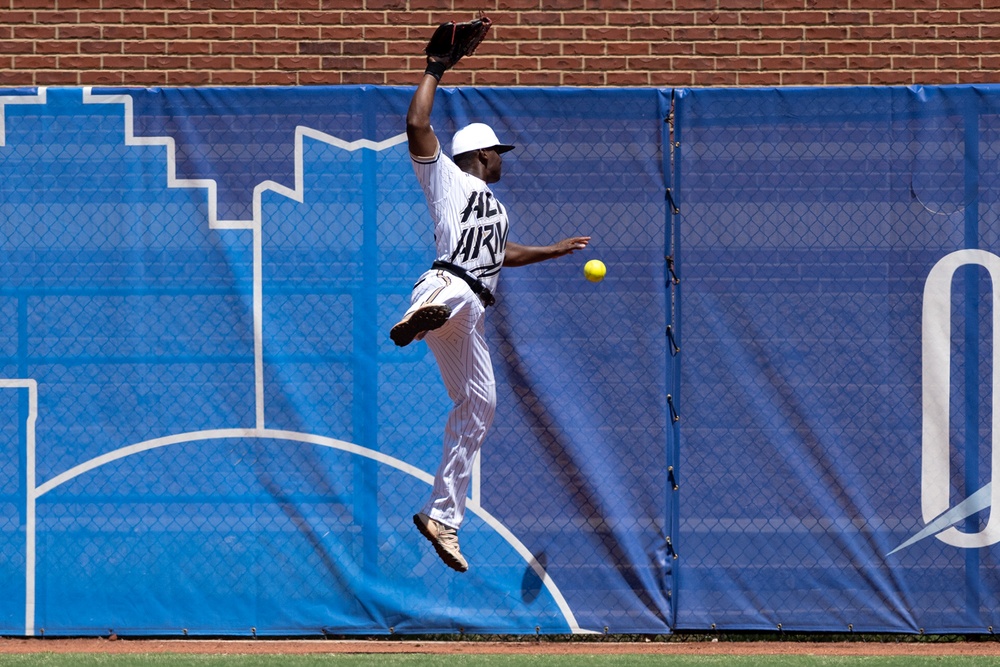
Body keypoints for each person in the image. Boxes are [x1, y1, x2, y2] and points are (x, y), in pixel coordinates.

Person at [391, 52, 591, 573]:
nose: (503, 158)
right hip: (448, 284)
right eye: (498, 151)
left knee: (481, 405)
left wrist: (551, 250)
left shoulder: (495, 209)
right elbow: (416, 124)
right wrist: (435, 68)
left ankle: (442, 519)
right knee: (452, 287)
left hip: (471, 311)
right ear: (481, 153)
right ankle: (421, 312)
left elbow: (499, 255)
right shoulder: (448, 181)